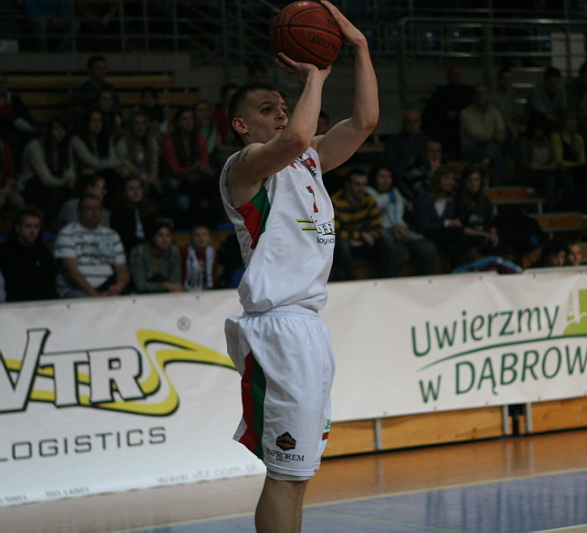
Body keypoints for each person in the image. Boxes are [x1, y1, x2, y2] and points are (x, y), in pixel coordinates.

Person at [218, 2, 378, 530]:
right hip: (277, 329)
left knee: (299, 472)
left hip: (307, 327)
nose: (282, 114)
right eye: (268, 109)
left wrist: (359, 47)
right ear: (241, 125)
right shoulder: (243, 168)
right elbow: (296, 138)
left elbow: (365, 122)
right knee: (285, 474)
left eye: (284, 106)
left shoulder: (308, 161)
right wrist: (315, 75)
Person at [366, 163, 437, 276]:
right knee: (400, 255)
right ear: (374, 178)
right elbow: (375, 205)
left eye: (388, 177)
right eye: (382, 177)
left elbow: (401, 202)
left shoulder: (395, 191)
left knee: (428, 249)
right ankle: (388, 283)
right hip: (383, 233)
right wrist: (388, 196)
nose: (386, 181)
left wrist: (407, 204)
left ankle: (422, 282)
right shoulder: (368, 192)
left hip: (401, 230)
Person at [54, 193, 129, 298]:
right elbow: (71, 271)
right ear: (78, 212)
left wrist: (118, 287)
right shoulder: (67, 234)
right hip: (77, 291)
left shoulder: (112, 235)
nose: (94, 212)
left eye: (98, 209)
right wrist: (94, 295)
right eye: (89, 208)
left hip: (107, 288)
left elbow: (122, 268)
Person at [331, 169, 398, 280]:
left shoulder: (369, 200)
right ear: (348, 185)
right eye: (357, 185)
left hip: (364, 241)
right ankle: (348, 281)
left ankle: (387, 280)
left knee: (386, 240)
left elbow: (378, 228)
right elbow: (333, 232)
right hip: (345, 242)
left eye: (364, 185)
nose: (361, 189)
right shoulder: (336, 201)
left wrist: (368, 237)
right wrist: (360, 236)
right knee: (343, 245)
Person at [162, 106, 216, 228]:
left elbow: (204, 164)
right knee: (191, 187)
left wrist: (201, 169)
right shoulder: (169, 141)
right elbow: (175, 170)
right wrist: (194, 168)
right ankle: (193, 224)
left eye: (191, 119)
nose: (188, 122)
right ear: (178, 122)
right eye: (184, 119)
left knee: (213, 183)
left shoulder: (200, 139)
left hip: (196, 176)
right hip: (175, 179)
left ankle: (214, 222)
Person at [18, 117, 76, 230]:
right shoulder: (35, 146)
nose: (60, 132)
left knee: (76, 191)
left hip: (54, 183)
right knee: (57, 195)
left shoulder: (65, 146)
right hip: (30, 185)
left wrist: (72, 182)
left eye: (63, 129)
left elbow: (69, 171)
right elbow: (45, 178)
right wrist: (66, 182)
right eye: (56, 128)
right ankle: (45, 228)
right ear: (49, 130)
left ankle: (69, 227)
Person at [409, 165, 469, 268]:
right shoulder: (425, 198)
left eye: (452, 179)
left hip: (444, 237)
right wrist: (446, 223)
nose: (450, 182)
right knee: (456, 241)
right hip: (425, 237)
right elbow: (423, 227)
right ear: (438, 179)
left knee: (461, 239)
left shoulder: (451, 201)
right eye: (446, 178)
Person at [0, 207, 57, 302]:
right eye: (28, 226)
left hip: (43, 303)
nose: (32, 231)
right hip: (14, 303)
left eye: (36, 227)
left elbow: (49, 283)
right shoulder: (5, 252)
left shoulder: (44, 252)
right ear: (18, 228)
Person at [70, 108, 123, 202]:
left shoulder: (106, 139)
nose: (97, 124)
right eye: (93, 120)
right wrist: (122, 161)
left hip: (101, 173)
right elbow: (95, 163)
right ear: (87, 122)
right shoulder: (77, 140)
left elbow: (111, 160)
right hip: (82, 176)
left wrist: (98, 168)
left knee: (113, 175)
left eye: (100, 120)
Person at [421, 65, 473, 159]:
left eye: (459, 74)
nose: (457, 76)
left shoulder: (469, 92)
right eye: (454, 74)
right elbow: (431, 111)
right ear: (448, 76)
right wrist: (445, 114)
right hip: (446, 128)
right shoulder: (441, 92)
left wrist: (459, 115)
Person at [459, 84, 507, 185]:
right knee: (496, 154)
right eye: (478, 93)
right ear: (474, 96)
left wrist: (498, 137)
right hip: (472, 150)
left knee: (496, 151)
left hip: (489, 148)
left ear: (488, 96)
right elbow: (474, 135)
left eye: (484, 93)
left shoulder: (494, 112)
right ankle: (495, 187)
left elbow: (501, 131)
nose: (481, 96)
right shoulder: (466, 113)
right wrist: (493, 137)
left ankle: (486, 161)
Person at [129, 218, 185, 293]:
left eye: (168, 235)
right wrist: (165, 285)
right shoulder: (139, 252)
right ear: (153, 238)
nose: (165, 239)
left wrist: (169, 287)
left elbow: (175, 282)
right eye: (160, 235)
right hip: (140, 296)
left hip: (167, 295)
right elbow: (140, 285)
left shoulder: (173, 251)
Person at [116, 111, 163, 200]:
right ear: (131, 127)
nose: (140, 127)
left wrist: (151, 178)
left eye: (143, 124)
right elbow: (124, 171)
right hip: (130, 181)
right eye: (137, 124)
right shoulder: (122, 144)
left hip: (148, 179)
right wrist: (145, 179)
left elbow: (154, 166)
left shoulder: (152, 143)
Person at [110, 175, 161, 257]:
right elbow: (125, 237)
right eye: (131, 189)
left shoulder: (149, 209)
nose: (136, 192)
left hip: (149, 248)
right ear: (124, 192)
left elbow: (154, 231)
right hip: (129, 250)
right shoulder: (119, 212)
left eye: (139, 188)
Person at [456, 164, 500, 258]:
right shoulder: (459, 200)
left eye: (476, 180)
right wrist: (485, 235)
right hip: (467, 238)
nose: (473, 184)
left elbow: (491, 222)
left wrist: (493, 234)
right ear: (465, 182)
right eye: (470, 180)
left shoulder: (485, 200)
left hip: (484, 234)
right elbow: (462, 228)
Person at [514, 112, 559, 198]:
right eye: (538, 128)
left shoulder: (546, 141)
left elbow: (551, 158)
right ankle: (546, 204)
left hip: (545, 172)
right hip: (527, 175)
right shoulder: (523, 142)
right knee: (548, 180)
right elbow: (525, 165)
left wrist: (554, 165)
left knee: (564, 177)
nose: (540, 131)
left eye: (542, 129)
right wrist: (545, 167)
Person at [382, 108, 428, 183]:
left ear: (420, 123)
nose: (412, 125)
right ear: (404, 123)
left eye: (415, 121)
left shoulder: (427, 141)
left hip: (423, 179)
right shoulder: (394, 141)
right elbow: (389, 164)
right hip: (401, 179)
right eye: (409, 121)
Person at [71, 55, 119, 124]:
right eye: (99, 68)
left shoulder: (111, 89)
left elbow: (117, 111)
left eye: (104, 68)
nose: (103, 71)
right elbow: (78, 115)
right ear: (90, 70)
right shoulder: (82, 91)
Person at [180, 223, 219, 290]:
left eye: (204, 235)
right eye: (197, 235)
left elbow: (214, 276)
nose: (201, 238)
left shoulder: (213, 253)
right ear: (191, 239)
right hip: (186, 290)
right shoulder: (184, 252)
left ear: (210, 238)